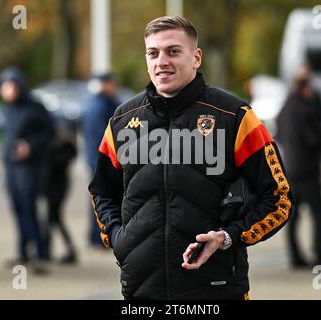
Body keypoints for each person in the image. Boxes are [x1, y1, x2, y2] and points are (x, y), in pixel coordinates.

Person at [88, 16, 294, 300]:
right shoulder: (123, 119)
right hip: (141, 290)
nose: (161, 61)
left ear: (196, 57)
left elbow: (279, 198)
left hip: (216, 290)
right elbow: (101, 191)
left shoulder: (235, 116)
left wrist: (227, 237)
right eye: (153, 53)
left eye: (173, 51)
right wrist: (117, 237)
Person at [277, 77, 321, 270]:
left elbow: (279, 133)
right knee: (319, 212)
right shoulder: (305, 109)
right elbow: (313, 138)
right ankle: (320, 254)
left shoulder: (285, 108)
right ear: (304, 88)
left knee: (293, 215)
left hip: (290, 167)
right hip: (307, 169)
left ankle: (295, 255)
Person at [0, 67, 54, 273]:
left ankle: (40, 254)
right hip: (11, 167)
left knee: (29, 208)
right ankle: (22, 252)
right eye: (4, 86)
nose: (8, 90)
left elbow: (49, 133)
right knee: (17, 208)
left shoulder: (35, 107)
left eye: (12, 85)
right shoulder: (3, 109)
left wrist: (30, 145)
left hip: (31, 168)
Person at [81, 72, 120, 248]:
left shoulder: (91, 104)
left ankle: (94, 236)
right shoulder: (104, 106)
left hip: (93, 157)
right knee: (103, 197)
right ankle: (98, 237)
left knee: (97, 196)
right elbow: (103, 136)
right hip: (102, 158)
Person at [44, 117, 78, 264]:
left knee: (54, 217)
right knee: (53, 218)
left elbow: (56, 162)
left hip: (57, 185)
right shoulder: (64, 146)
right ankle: (55, 250)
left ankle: (68, 250)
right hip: (58, 184)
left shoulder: (59, 147)